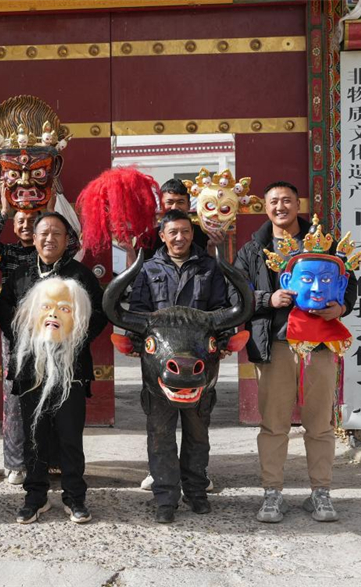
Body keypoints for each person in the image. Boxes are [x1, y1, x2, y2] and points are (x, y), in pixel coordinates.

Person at [232, 181, 357, 523]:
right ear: (265, 207)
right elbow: (237, 293)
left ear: (297, 203)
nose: (280, 206)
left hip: (319, 345)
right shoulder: (252, 250)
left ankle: (321, 493)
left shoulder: (323, 244)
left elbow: (350, 282)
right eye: (274, 201)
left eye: (287, 200)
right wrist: (266, 300)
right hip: (276, 345)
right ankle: (273, 494)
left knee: (320, 424)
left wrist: (341, 308)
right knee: (274, 425)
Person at [0, 212, 107, 524]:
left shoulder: (81, 275)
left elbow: (99, 313)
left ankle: (75, 496)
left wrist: (76, 336)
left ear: (66, 239)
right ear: (34, 237)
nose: (48, 239)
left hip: (71, 368)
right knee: (34, 434)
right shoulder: (21, 274)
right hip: (32, 369)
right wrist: (24, 335)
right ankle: (36, 495)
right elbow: (2, 308)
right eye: (43, 232)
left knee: (71, 435)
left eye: (56, 233)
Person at [128, 209, 228, 523]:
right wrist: (136, 340)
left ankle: (196, 493)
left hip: (199, 367)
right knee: (160, 435)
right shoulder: (146, 269)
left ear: (191, 233)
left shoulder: (209, 268)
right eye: (173, 232)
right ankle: (165, 499)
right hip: (160, 370)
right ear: (162, 235)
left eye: (185, 231)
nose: (180, 237)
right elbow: (138, 311)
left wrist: (221, 341)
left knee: (198, 434)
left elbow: (224, 309)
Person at [0, 197, 80, 485]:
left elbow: (72, 240)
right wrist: (1, 213)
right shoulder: (8, 253)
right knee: (14, 397)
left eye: (30, 220)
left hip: (54, 330)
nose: (24, 225)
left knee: (54, 393)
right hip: (17, 332)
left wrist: (49, 211)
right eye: (19, 221)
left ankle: (53, 460)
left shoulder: (56, 254)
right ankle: (15, 463)